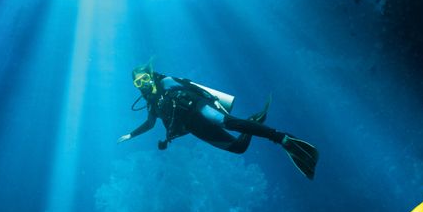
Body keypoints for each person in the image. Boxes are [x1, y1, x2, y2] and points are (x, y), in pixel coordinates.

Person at [117, 62, 319, 179]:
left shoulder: (166, 82)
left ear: (150, 76)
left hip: (199, 108)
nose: (142, 84)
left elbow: (193, 88)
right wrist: (130, 135)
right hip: (192, 126)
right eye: (138, 82)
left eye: (144, 78)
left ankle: (282, 138)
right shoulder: (151, 104)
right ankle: (253, 121)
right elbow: (150, 123)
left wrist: (213, 100)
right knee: (238, 147)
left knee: (228, 122)